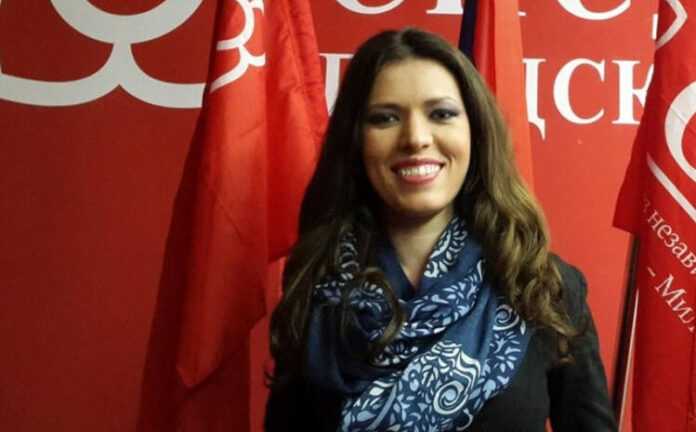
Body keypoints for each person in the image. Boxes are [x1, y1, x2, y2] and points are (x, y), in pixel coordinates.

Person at [264, 28, 617, 431]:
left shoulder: (544, 289)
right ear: (356, 141)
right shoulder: (316, 286)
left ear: (475, 132)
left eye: (442, 114)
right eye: (385, 118)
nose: (416, 138)